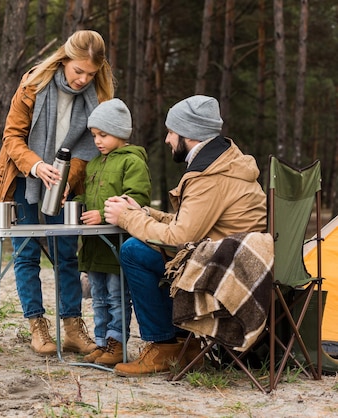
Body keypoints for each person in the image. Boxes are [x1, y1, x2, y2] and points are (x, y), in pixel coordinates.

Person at [103, 95, 267, 376]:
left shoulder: (210, 176)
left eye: (171, 132)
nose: (167, 140)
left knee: (134, 251)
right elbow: (193, 225)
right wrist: (145, 212)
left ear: (189, 134)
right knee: (148, 248)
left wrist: (127, 218)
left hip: (227, 271)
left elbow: (180, 237)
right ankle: (185, 345)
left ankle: (166, 345)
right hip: (234, 258)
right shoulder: (223, 162)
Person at [0, 30, 115, 356]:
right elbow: (12, 138)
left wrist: (71, 178)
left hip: (65, 184)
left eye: (90, 73)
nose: (83, 79)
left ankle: (72, 326)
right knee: (27, 253)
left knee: (66, 253)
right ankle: (37, 326)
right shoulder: (33, 86)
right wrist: (37, 166)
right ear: (64, 60)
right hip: (23, 178)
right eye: (78, 71)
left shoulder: (98, 97)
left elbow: (91, 148)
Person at [76, 98, 151, 367]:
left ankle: (117, 344)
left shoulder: (132, 163)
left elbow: (136, 199)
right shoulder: (95, 164)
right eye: (94, 135)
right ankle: (100, 342)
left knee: (117, 297)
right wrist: (76, 201)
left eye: (103, 135)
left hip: (117, 245)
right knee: (98, 297)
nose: (97, 140)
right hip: (94, 246)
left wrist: (102, 214)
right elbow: (91, 194)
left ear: (120, 132)